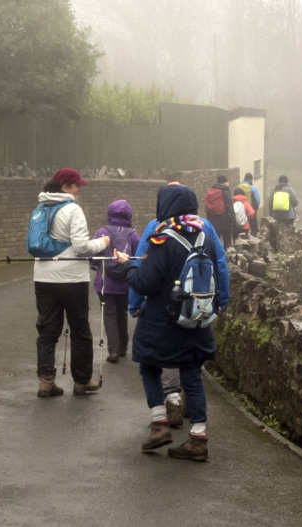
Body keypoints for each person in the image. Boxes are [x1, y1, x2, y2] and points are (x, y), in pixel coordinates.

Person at [115, 184, 221, 461]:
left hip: (162, 321)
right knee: (192, 374)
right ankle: (198, 439)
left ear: (166, 207)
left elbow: (144, 282)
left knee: (149, 366)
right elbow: (217, 275)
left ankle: (159, 423)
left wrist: (128, 264)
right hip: (195, 319)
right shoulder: (204, 239)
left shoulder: (161, 240)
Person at [33, 168, 110, 397]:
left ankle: (46, 382)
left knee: (47, 330)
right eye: (77, 186)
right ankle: (81, 381)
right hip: (72, 279)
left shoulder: (40, 208)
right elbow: (81, 247)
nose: (79, 190)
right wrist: (102, 242)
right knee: (80, 330)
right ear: (65, 187)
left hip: (43, 277)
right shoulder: (72, 210)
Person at [92, 200, 140, 363]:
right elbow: (137, 257)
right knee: (122, 314)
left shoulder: (101, 232)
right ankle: (123, 347)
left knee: (109, 315)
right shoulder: (133, 235)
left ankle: (112, 349)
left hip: (106, 283)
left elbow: (94, 256)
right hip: (126, 283)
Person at [204, 173, 234, 247]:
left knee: (214, 242)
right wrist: (233, 223)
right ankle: (227, 256)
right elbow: (230, 208)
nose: (229, 183)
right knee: (227, 242)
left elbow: (206, 207)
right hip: (225, 222)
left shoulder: (210, 191)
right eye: (228, 181)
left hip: (213, 222)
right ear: (224, 182)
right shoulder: (225, 192)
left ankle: (215, 257)